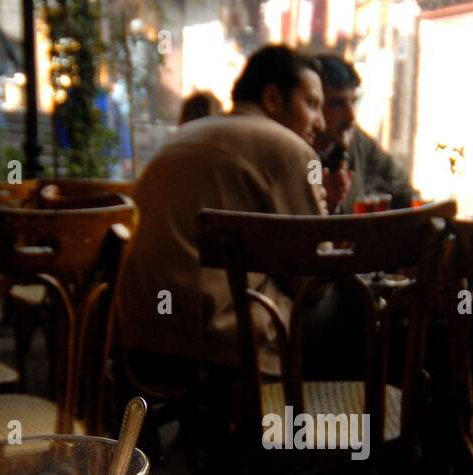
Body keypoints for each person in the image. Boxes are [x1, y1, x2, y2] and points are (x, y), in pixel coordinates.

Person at [114, 45, 327, 374]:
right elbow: (312, 279)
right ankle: (333, 418)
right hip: (224, 340)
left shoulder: (181, 136)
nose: (321, 122)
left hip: (140, 331)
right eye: (311, 104)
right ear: (272, 98)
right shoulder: (288, 148)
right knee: (354, 309)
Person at [310, 54, 417, 213]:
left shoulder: (358, 142)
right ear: (315, 105)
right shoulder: (297, 151)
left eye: (354, 101)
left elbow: (403, 190)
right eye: (337, 104)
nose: (351, 116)